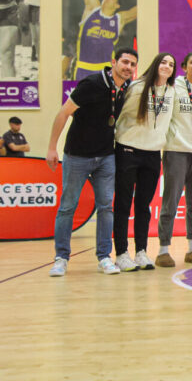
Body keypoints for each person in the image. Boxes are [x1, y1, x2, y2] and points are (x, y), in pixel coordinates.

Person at [46, 48, 138, 277]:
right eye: (125, 62)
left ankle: (104, 257)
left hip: (106, 156)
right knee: (68, 207)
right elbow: (63, 113)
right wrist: (51, 148)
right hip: (77, 155)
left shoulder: (127, 88)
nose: (128, 67)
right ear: (113, 61)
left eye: (132, 64)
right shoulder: (92, 83)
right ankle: (61, 258)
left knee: (106, 206)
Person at [113, 53, 176, 272]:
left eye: (171, 64)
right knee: (122, 204)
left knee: (143, 206)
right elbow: (120, 116)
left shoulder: (171, 91)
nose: (167, 66)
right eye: (163, 62)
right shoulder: (137, 86)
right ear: (155, 64)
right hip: (128, 150)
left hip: (152, 154)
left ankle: (141, 251)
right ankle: (121, 253)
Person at [155, 52, 192, 268]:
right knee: (171, 201)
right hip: (176, 150)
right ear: (184, 67)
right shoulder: (174, 87)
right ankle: (163, 249)